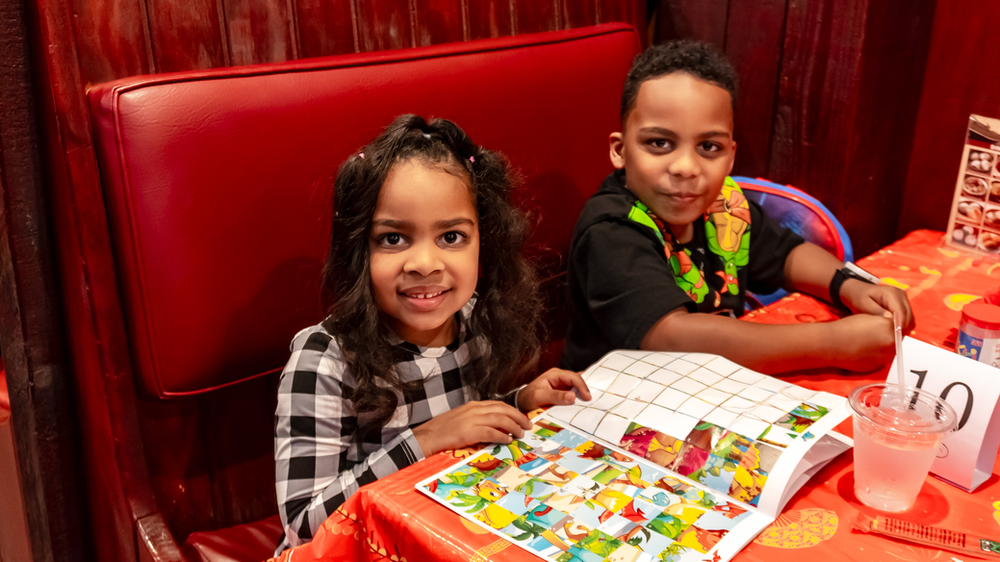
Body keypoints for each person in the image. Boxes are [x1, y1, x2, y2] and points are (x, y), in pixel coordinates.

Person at [273, 115, 591, 553]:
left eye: (452, 236)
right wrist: (423, 441)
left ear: (485, 241)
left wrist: (519, 401)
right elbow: (302, 526)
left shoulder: (473, 318)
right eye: (393, 239)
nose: (425, 263)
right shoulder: (324, 359)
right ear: (358, 250)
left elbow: (461, 422)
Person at [561, 40, 913, 374]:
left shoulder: (724, 206)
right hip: (612, 407)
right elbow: (670, 338)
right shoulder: (610, 229)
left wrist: (851, 286)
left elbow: (786, 254)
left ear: (731, 157)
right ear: (620, 151)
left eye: (708, 147)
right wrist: (834, 343)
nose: (685, 167)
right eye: (659, 143)